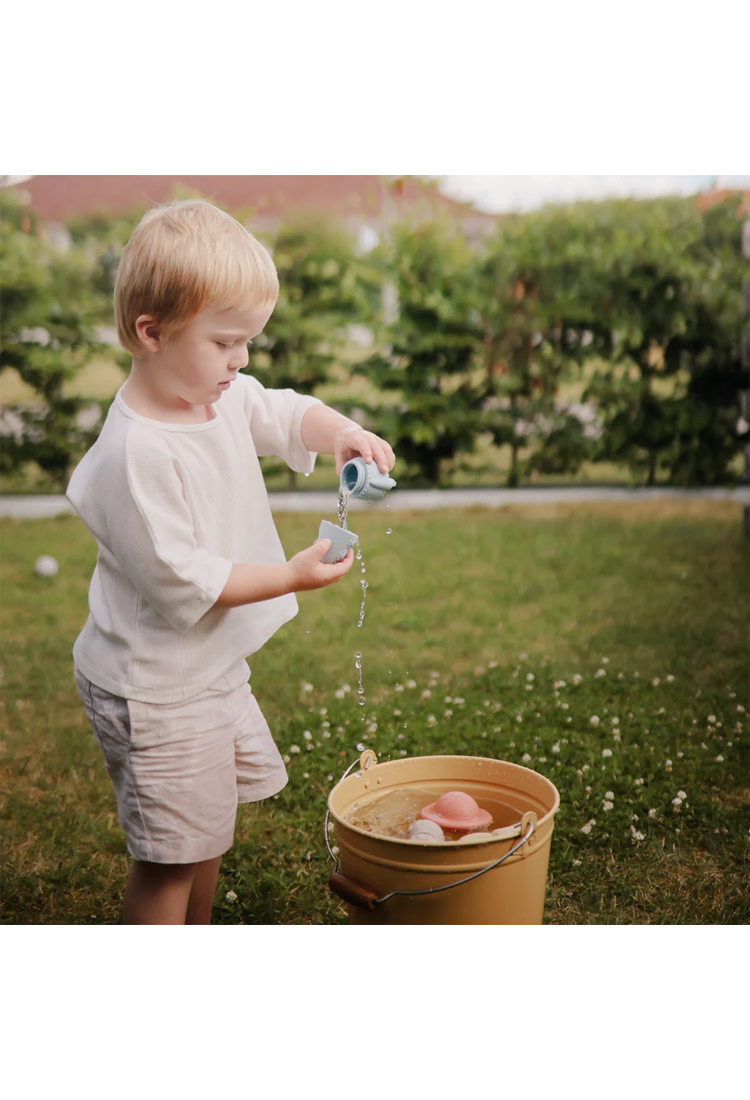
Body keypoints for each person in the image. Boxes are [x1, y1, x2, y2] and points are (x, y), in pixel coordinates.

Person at [67, 199, 395, 925]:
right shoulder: (134, 455)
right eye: (225, 341)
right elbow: (187, 578)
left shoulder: (215, 396)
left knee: (206, 834)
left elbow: (279, 411)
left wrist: (340, 430)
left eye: (247, 340)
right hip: (155, 689)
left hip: (205, 670)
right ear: (150, 332)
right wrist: (291, 573)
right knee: (168, 859)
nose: (241, 358)